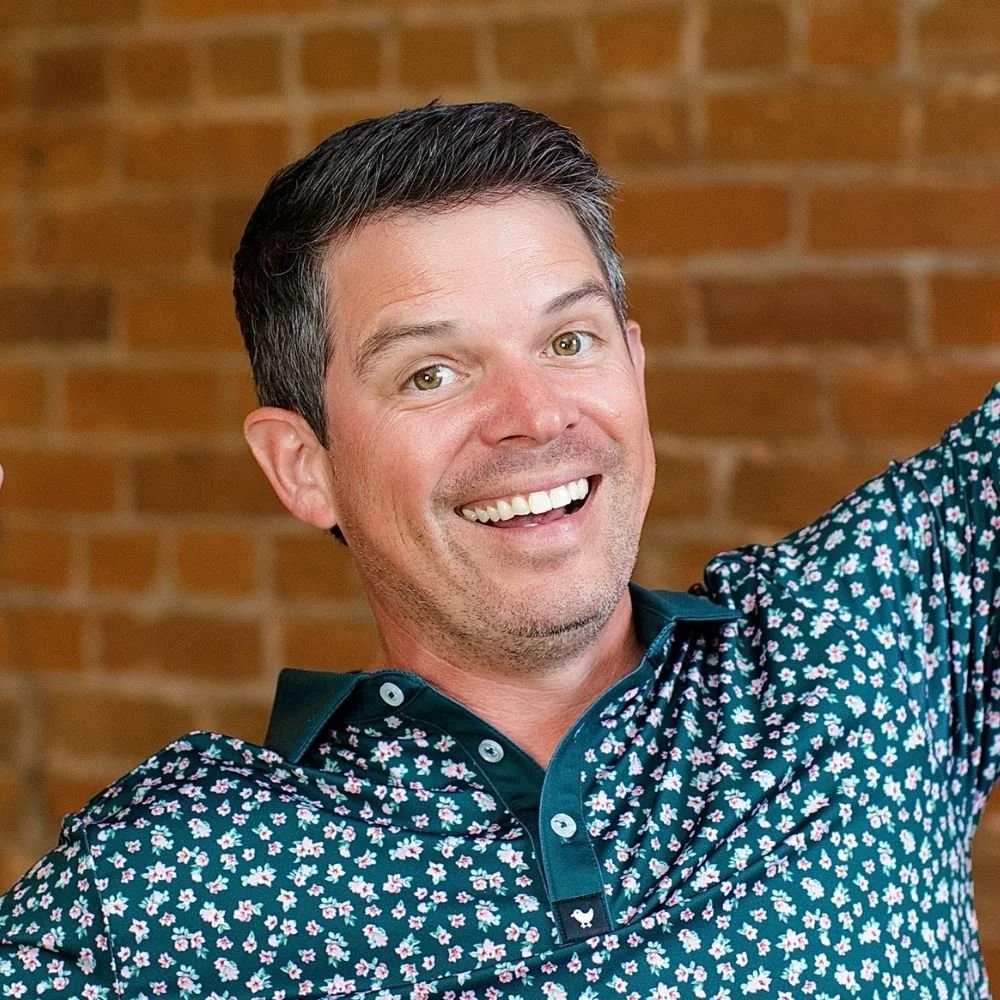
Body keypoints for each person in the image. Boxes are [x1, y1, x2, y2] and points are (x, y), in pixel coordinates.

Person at [0, 101, 998, 1000]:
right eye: (431, 373)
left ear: (635, 367)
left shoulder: (866, 634)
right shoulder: (178, 883)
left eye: (568, 342)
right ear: (304, 467)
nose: (533, 415)